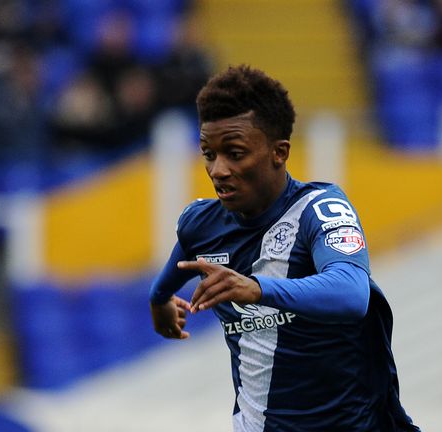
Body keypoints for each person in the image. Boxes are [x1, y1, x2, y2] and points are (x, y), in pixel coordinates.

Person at [149, 65, 421, 432]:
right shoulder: (201, 224)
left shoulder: (320, 209)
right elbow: (167, 279)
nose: (218, 170)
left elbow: (352, 291)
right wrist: (159, 300)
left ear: (279, 152)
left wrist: (258, 289)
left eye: (235, 152)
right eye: (209, 154)